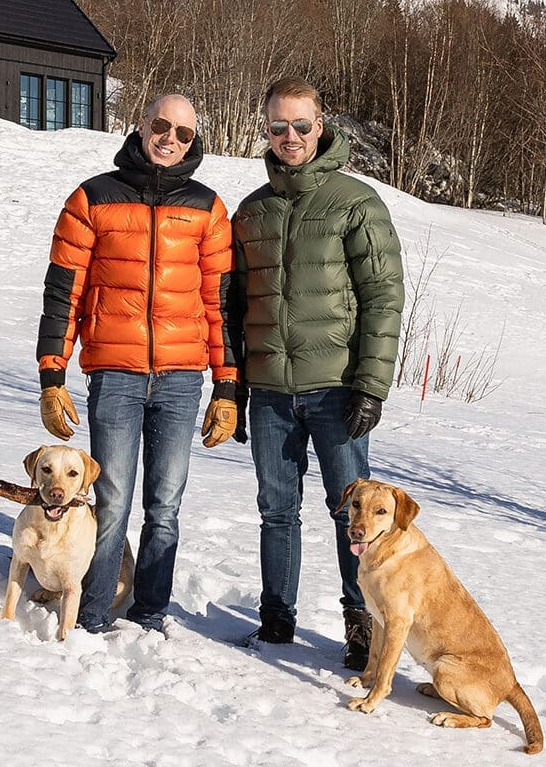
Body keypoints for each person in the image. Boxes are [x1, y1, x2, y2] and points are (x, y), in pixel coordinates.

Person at [36, 93, 241, 633]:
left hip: (181, 380)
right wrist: (52, 375)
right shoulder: (92, 197)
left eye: (184, 133)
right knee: (110, 500)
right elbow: (63, 292)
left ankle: (150, 613)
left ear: (193, 143)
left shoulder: (207, 208)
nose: (170, 139)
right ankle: (93, 614)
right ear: (142, 124)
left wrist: (226, 385)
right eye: (161, 126)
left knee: (165, 506)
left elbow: (221, 304)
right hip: (115, 376)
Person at [228, 77, 404, 669]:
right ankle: (276, 619)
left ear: (320, 126)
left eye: (301, 125)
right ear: (266, 130)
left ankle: (362, 625)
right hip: (270, 393)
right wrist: (236, 387)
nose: (291, 136)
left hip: (337, 391)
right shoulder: (252, 211)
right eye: (278, 126)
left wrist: (371, 386)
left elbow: (383, 297)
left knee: (353, 514)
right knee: (276, 510)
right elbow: (236, 306)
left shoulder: (356, 202)